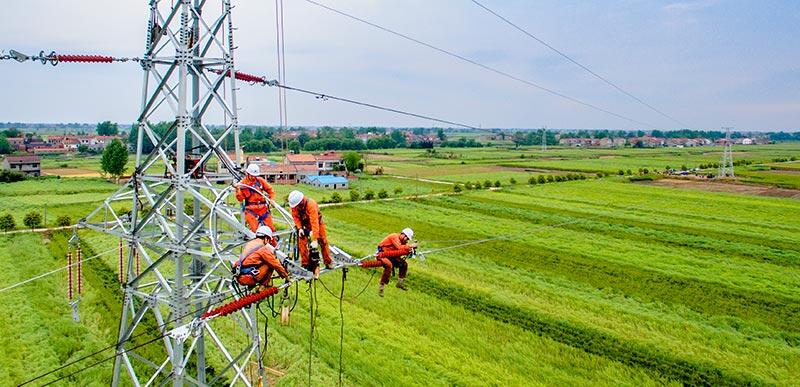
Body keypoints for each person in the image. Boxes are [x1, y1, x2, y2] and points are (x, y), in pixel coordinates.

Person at [288, 190, 333, 277]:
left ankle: (328, 262)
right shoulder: (295, 207)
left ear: (301, 201)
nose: (296, 207)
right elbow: (295, 217)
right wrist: (300, 228)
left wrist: (315, 239)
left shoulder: (311, 204)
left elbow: (314, 222)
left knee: (323, 241)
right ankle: (305, 264)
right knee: (301, 243)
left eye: (297, 205)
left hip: (317, 224)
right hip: (304, 225)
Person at [374, 228, 417, 296]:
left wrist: (411, 250)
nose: (407, 240)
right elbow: (400, 247)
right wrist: (411, 246)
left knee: (404, 264)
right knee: (389, 265)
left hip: (391, 256)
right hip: (382, 254)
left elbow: (402, 250)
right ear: (403, 235)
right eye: (407, 238)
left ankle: (400, 283)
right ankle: (381, 287)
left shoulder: (403, 242)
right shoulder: (394, 236)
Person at [236, 163, 276, 233]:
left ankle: (272, 243)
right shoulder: (242, 184)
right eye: (252, 175)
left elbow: (270, 190)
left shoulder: (260, 181)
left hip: (263, 209)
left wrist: (272, 199)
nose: (254, 177)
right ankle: (259, 243)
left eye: (255, 176)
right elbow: (240, 199)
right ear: (247, 173)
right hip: (251, 210)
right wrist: (237, 190)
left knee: (271, 230)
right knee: (255, 232)